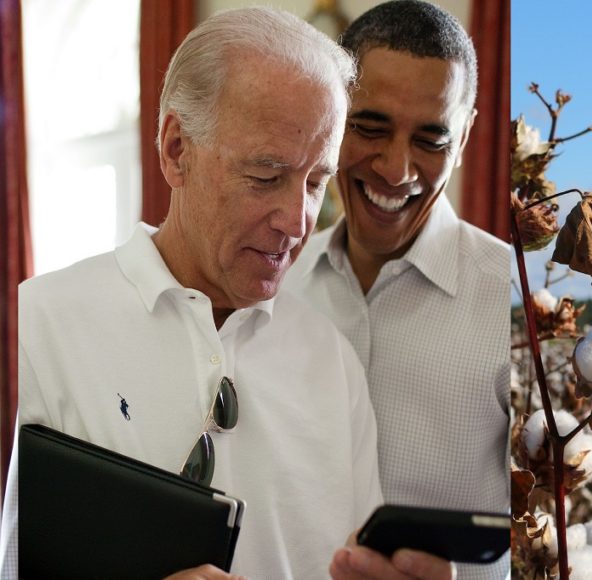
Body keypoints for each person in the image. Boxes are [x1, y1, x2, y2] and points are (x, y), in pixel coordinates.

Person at [0, 7, 451, 579]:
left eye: (316, 181)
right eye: (266, 175)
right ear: (175, 150)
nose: (297, 220)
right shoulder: (43, 322)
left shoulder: (332, 362)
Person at [286, 2, 511, 578]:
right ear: (331, 115)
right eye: (370, 127)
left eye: (431, 139)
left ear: (464, 139)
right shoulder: (270, 285)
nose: (395, 168)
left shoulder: (518, 307)